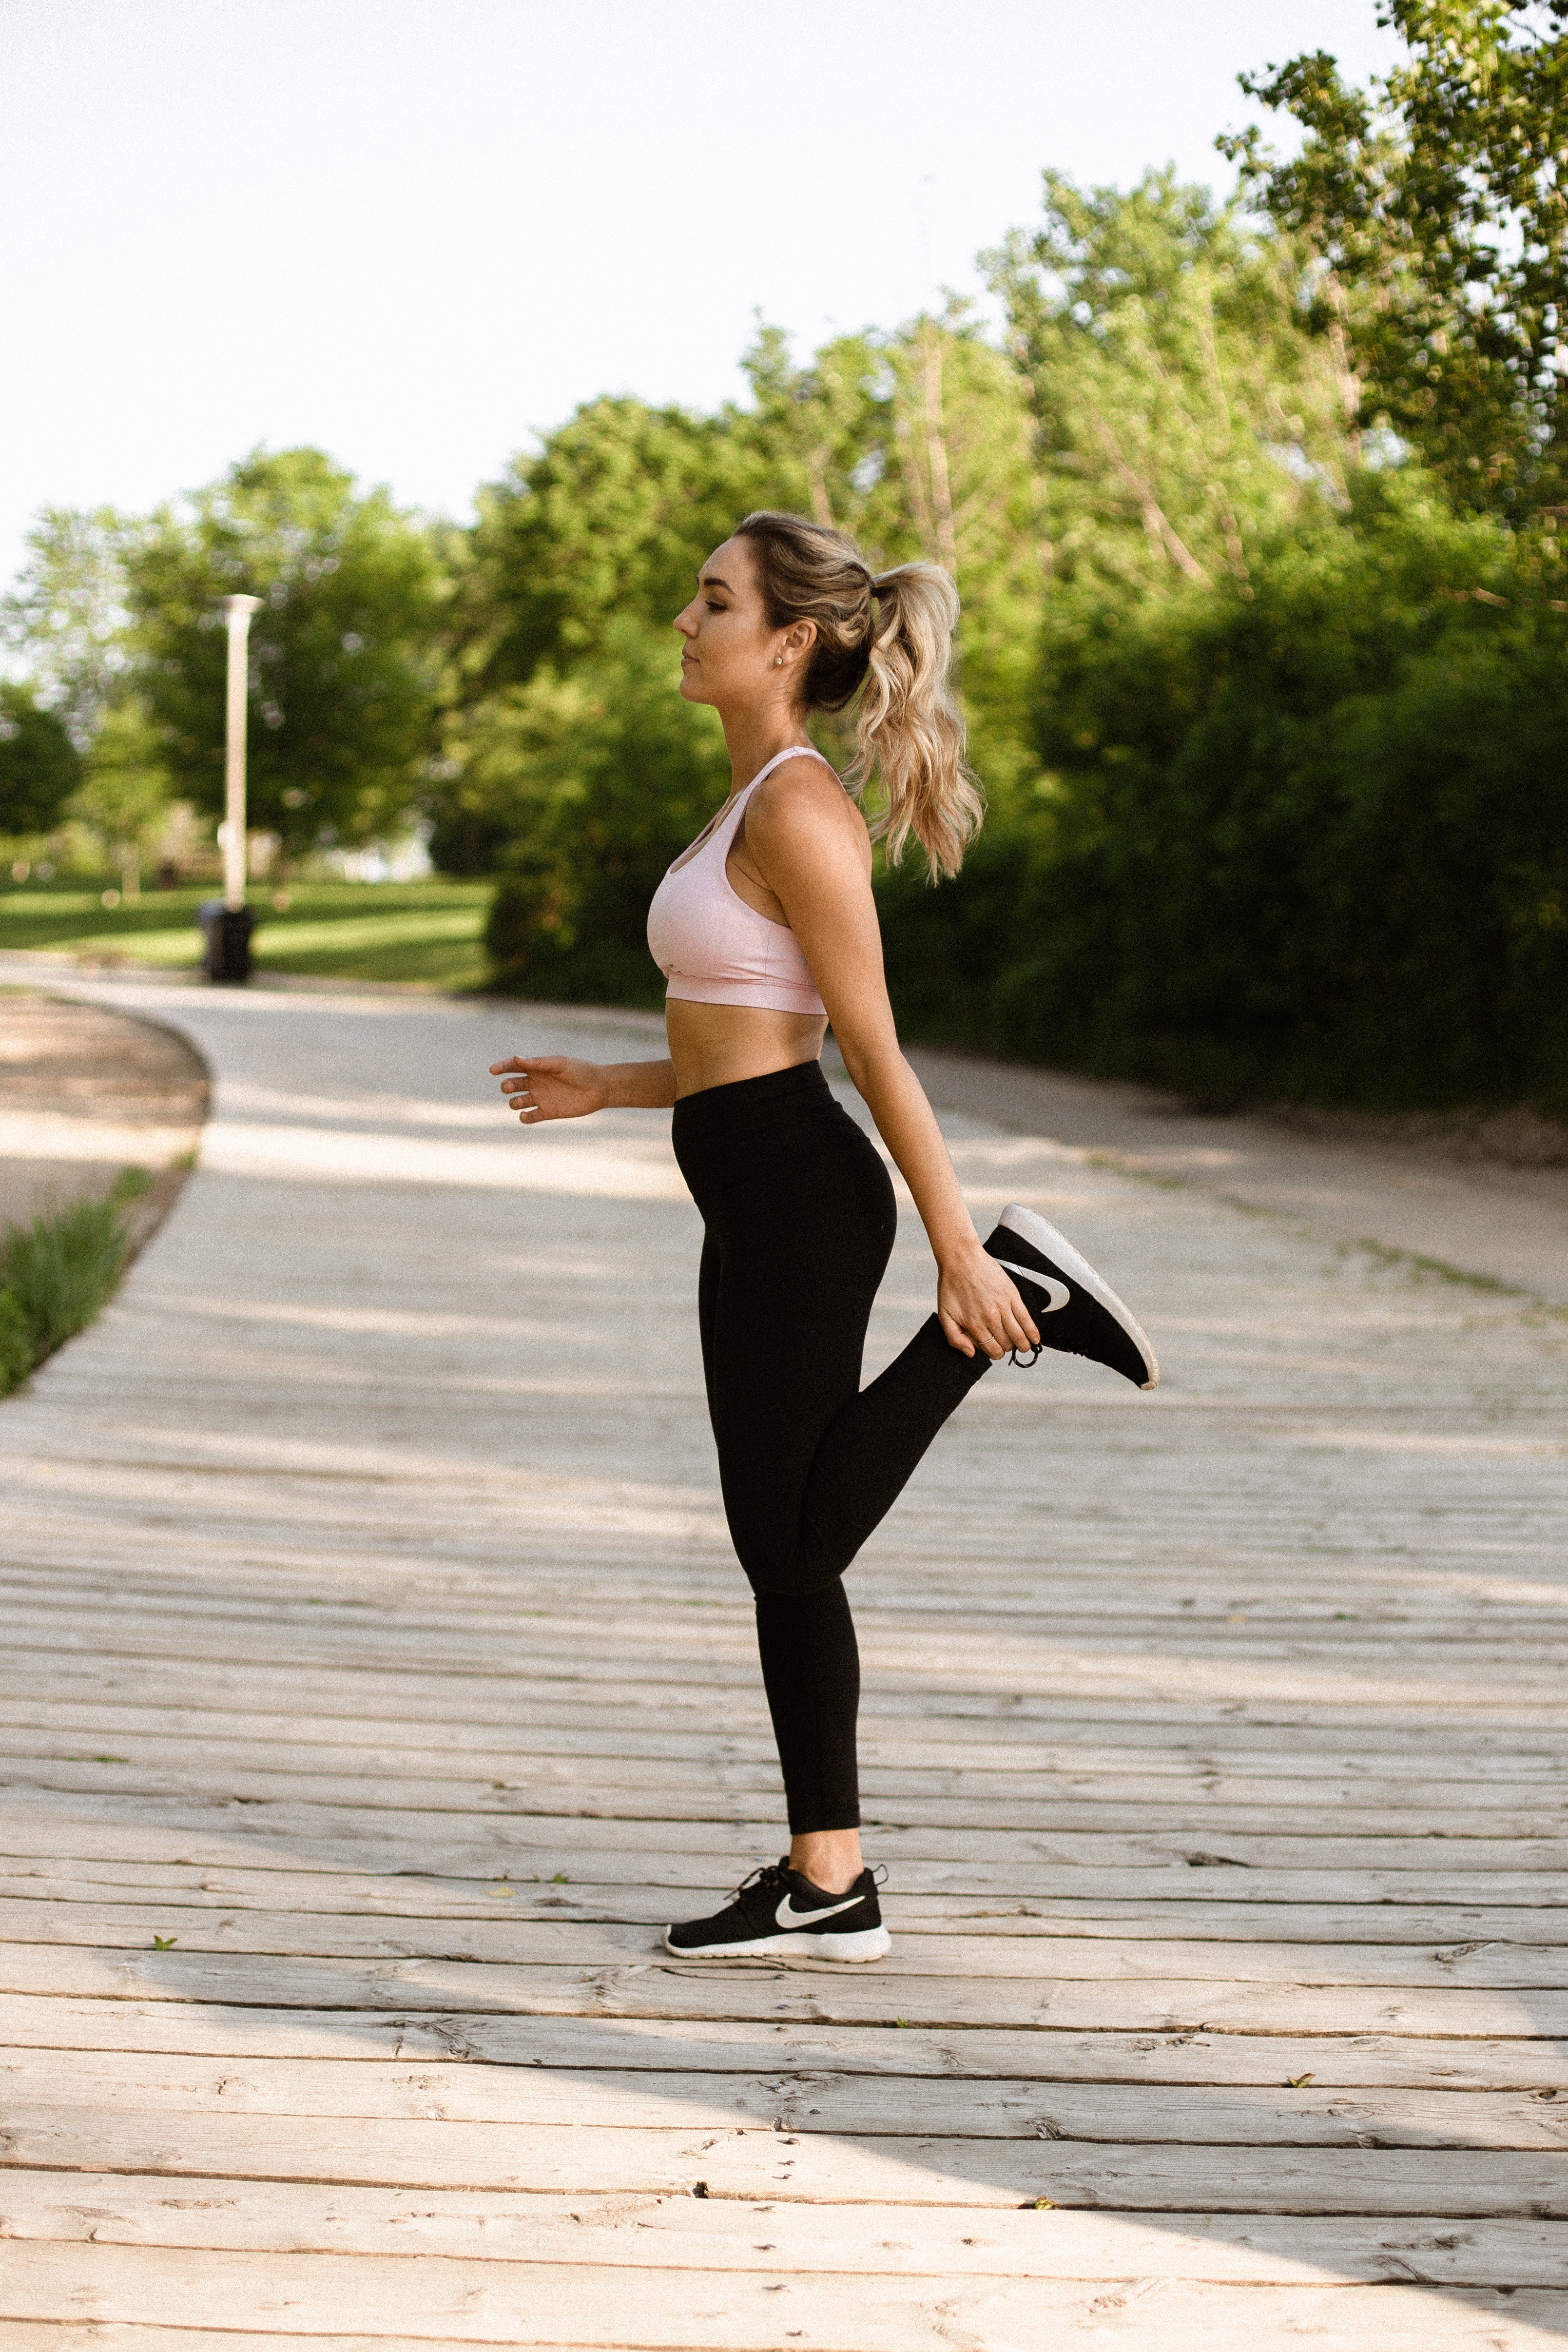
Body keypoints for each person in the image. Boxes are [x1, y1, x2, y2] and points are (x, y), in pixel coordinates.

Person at [490, 511, 1158, 1964]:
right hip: (757, 1186)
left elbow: (871, 1052)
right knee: (783, 1549)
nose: (685, 617)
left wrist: (954, 1250)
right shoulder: (746, 802)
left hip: (802, 1200)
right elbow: (749, 1041)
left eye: (712, 598)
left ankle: (1016, 1288)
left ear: (788, 639)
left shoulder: (797, 808)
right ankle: (827, 1878)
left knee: (788, 1541)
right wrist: (610, 1084)